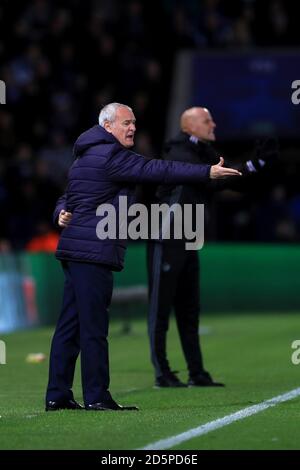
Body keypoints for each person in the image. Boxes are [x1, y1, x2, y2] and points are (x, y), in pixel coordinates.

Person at [45, 102, 241, 412]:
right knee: (94, 328)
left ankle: (57, 395)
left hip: (74, 250)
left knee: (70, 327)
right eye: (126, 123)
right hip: (93, 252)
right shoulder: (111, 156)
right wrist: (207, 171)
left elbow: (66, 196)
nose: (133, 127)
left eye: (134, 122)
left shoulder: (85, 155)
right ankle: (97, 396)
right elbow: (158, 169)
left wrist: (60, 214)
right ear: (108, 126)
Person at [147, 107, 279, 388]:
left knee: (189, 309)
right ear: (189, 126)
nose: (213, 124)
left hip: (189, 238)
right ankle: (162, 372)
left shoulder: (204, 153)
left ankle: (196, 372)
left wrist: (257, 164)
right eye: (207, 120)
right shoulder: (176, 150)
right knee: (160, 308)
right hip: (166, 237)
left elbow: (226, 178)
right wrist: (220, 171)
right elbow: (206, 174)